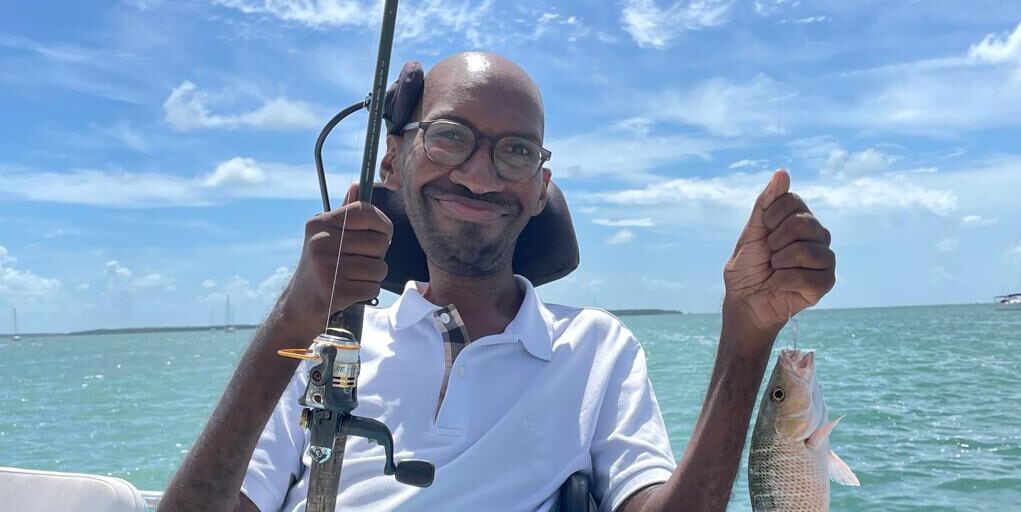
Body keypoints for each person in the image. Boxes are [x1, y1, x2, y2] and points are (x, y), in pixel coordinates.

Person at [159, 52, 835, 512]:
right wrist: (293, 318)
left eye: (514, 151)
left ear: (541, 188)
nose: (481, 176)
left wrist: (746, 336)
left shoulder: (597, 349)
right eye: (450, 137)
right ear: (393, 161)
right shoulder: (322, 347)